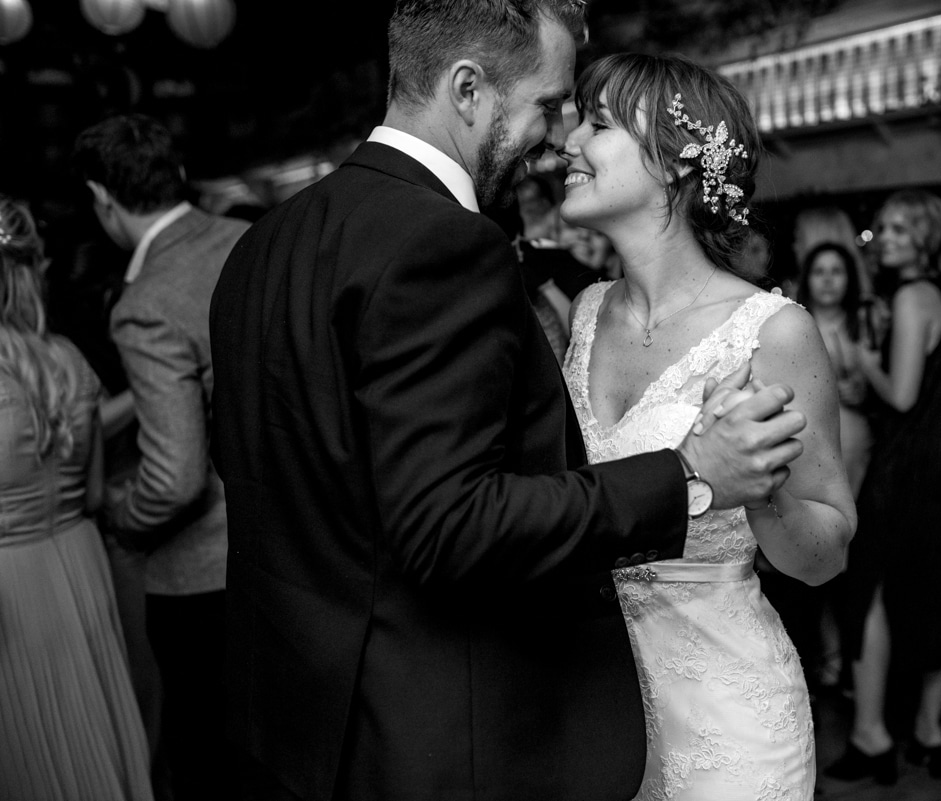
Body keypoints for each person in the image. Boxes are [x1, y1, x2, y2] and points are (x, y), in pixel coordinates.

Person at [208, 3, 809, 799]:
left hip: (300, 724)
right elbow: (449, 523)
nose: (557, 136)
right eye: (550, 103)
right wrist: (690, 473)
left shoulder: (261, 246)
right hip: (431, 731)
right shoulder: (442, 242)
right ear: (467, 89)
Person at [559, 51, 856, 799]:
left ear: (672, 164)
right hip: (593, 714)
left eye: (595, 125)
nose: (569, 143)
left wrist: (759, 487)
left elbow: (827, 553)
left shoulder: (773, 331)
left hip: (730, 724)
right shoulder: (587, 314)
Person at [73, 113, 250, 801]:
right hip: (298, 545)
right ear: (176, 174)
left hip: (205, 575)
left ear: (101, 198)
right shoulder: (249, 238)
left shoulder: (144, 303)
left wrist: (119, 510)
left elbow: (175, 479)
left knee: (207, 759)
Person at [0, 194, 153, 801]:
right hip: (82, 563)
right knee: (96, 733)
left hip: (13, 589)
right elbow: (91, 492)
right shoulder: (68, 360)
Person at [827, 189, 941, 785]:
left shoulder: (912, 296)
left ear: (925, 239)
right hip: (940, 464)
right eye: (880, 228)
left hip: (908, 466)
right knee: (933, 585)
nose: (882, 238)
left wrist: (862, 358)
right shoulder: (939, 296)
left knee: (869, 587)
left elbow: (903, 395)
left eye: (897, 230)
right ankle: (930, 732)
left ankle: (873, 734)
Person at [796, 241, 872, 495]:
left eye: (836, 271)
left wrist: (862, 391)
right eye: (819, 272)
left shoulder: (866, 326)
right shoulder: (792, 326)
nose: (828, 280)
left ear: (850, 278)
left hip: (853, 436)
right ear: (807, 279)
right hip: (803, 435)